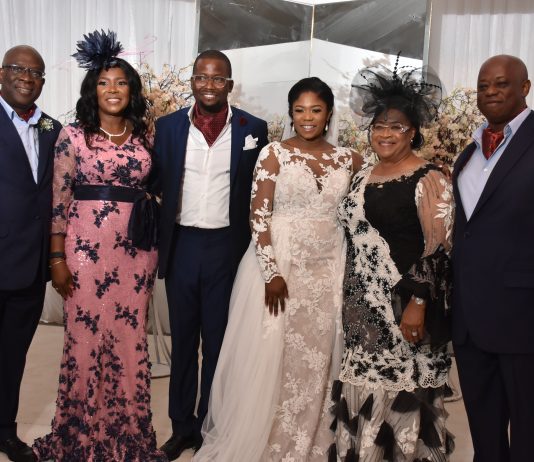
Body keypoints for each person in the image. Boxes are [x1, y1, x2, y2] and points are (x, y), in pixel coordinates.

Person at [193, 77, 362, 462]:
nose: (307, 117)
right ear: (290, 114)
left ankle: (315, 434)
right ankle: (272, 435)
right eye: (299, 110)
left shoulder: (350, 159)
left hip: (329, 268)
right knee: (279, 353)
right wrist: (270, 273)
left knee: (319, 353)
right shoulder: (274, 154)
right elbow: (258, 216)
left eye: (315, 110)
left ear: (329, 113)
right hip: (281, 266)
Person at [32, 31, 165, 461]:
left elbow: (160, 185)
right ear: (93, 89)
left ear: (132, 90)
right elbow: (59, 201)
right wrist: (57, 257)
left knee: (130, 339)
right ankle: (80, 435)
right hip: (84, 251)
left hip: (136, 253)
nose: (113, 90)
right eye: (104, 82)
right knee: (85, 339)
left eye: (121, 82)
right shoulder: (72, 136)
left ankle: (127, 437)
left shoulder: (147, 134)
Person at [333, 61, 454, 461]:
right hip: (361, 314)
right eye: (379, 126)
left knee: (402, 401)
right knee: (365, 397)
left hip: (403, 312)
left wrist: (418, 303)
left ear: (413, 131)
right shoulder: (362, 175)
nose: (385, 134)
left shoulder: (429, 178)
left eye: (396, 127)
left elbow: (440, 248)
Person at [153, 49, 269, 460]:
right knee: (183, 341)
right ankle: (180, 428)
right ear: (192, 82)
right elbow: (155, 180)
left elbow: (261, 189)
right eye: (201, 77)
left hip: (226, 249)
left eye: (217, 78)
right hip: (182, 244)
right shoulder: (167, 127)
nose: (208, 85)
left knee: (218, 343)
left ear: (229, 85)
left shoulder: (254, 129)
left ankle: (209, 426)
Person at [452, 55, 533, 462]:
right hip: (470, 320)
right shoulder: (468, 153)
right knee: (485, 435)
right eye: (483, 86)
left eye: (501, 84)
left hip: (523, 316)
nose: (490, 92)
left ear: (525, 87)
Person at [0, 45, 61, 462]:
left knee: (12, 357)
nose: (26, 77)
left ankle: (5, 431)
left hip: (30, 265)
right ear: (1, 73)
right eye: (18, 69)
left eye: (36, 72)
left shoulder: (52, 128)